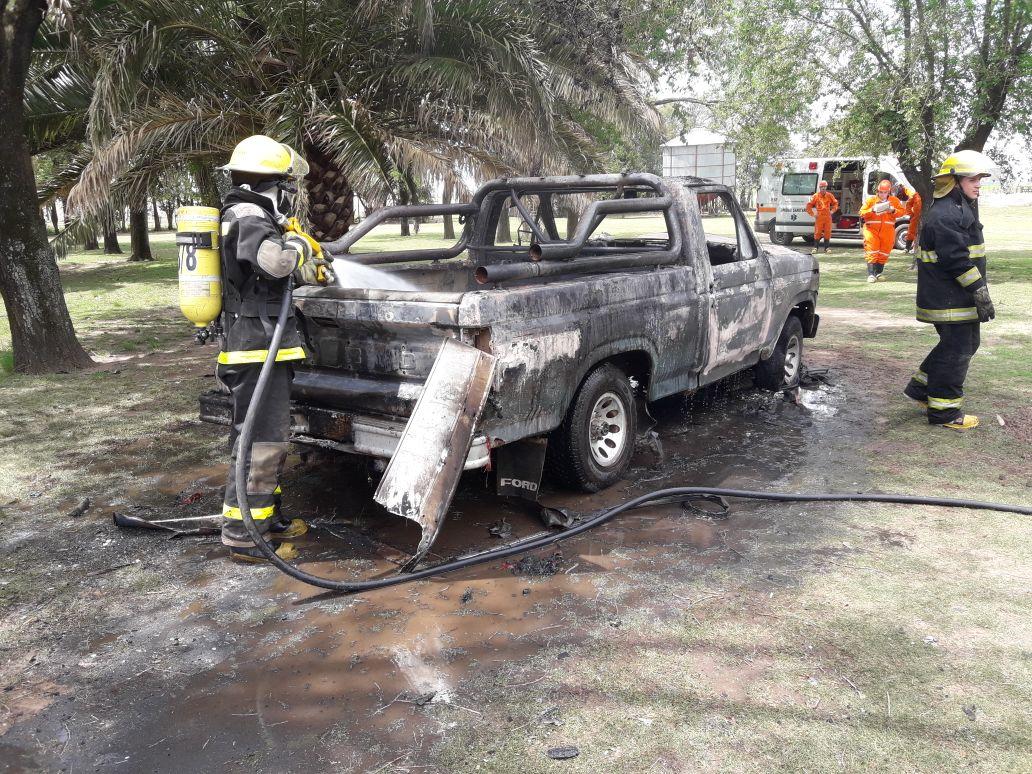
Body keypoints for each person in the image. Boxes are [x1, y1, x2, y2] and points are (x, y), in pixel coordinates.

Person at [216, 135, 334, 562]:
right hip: (256, 348)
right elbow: (276, 263)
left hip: (262, 346)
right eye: (287, 184)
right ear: (274, 183)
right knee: (261, 442)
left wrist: (310, 261)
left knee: (268, 438)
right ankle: (245, 536)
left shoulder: (254, 217)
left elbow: (274, 278)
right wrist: (299, 243)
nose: (289, 192)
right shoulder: (248, 216)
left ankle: (268, 517)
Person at [902, 150, 995, 431]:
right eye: (972, 179)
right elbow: (956, 260)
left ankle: (921, 389)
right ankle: (944, 411)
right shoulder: (945, 214)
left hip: (956, 297)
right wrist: (979, 290)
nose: (978, 183)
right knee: (957, 349)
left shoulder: (959, 207)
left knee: (963, 345)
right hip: (948, 298)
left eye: (979, 178)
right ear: (954, 181)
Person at [858, 179, 905, 282]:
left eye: (885, 192)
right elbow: (862, 212)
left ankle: (878, 273)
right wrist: (872, 210)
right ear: (877, 191)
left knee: (884, 251)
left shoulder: (894, 201)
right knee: (872, 250)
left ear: (889, 192)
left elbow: (902, 212)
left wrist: (893, 210)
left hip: (888, 230)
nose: (882, 194)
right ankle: (871, 275)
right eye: (880, 192)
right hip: (871, 229)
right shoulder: (871, 200)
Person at [805, 180, 839, 254]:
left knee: (828, 232)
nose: (823, 188)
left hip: (827, 216)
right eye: (822, 187)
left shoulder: (829, 195)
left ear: (826, 187)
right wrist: (813, 214)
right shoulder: (815, 196)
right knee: (817, 232)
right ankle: (815, 248)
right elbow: (808, 206)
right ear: (820, 188)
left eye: (824, 187)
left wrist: (832, 211)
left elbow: (836, 203)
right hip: (819, 216)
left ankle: (827, 248)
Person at [904, 186, 923, 264]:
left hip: (925, 217)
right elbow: (908, 204)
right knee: (912, 231)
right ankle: (907, 247)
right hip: (916, 217)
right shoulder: (915, 195)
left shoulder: (929, 194)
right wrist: (910, 214)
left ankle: (915, 248)